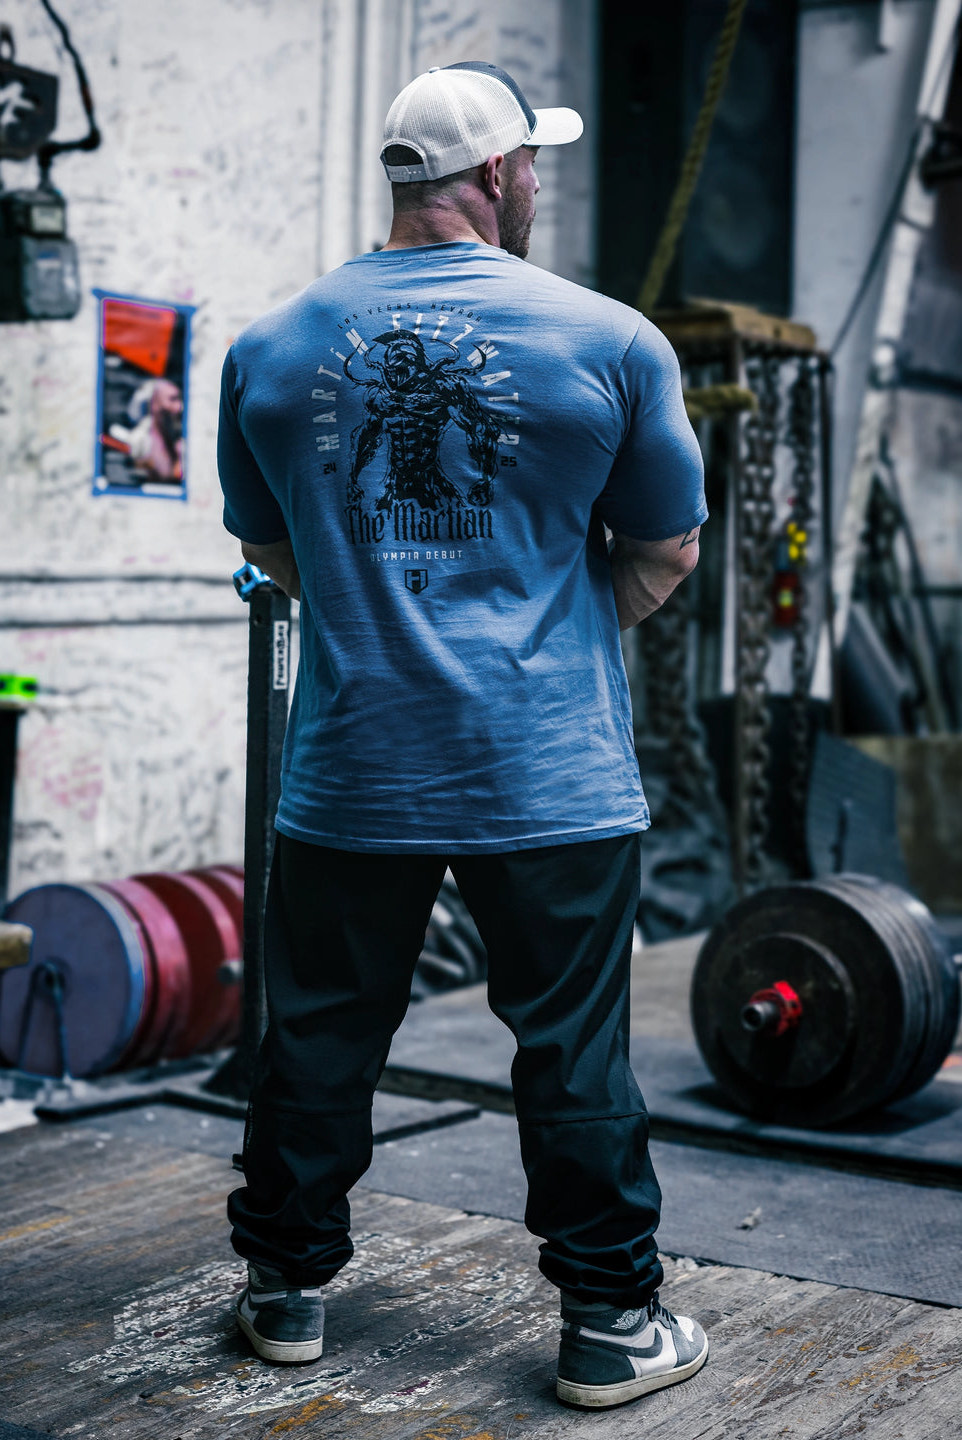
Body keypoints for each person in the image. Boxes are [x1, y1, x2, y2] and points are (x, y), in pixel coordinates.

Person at [217, 60, 709, 1410]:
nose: (536, 183)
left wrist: (392, 603)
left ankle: (284, 1294)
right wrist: (551, 622)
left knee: (316, 1038)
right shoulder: (609, 340)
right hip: (547, 771)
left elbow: (276, 548)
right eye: (533, 164)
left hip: (354, 767)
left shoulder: (269, 348)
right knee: (571, 1051)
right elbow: (666, 549)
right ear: (497, 179)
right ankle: (610, 1323)